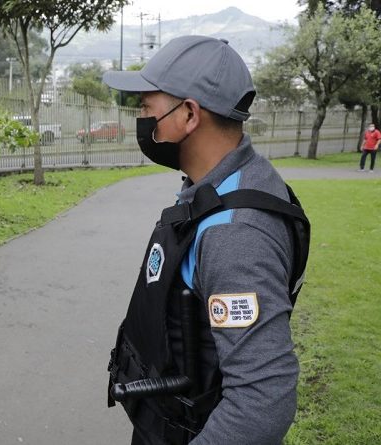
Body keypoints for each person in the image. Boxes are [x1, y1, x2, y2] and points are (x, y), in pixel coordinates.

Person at [102, 36, 310, 445]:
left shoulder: (236, 234)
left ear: (189, 115)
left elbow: (264, 400)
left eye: (147, 107)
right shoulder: (232, 179)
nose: (142, 118)